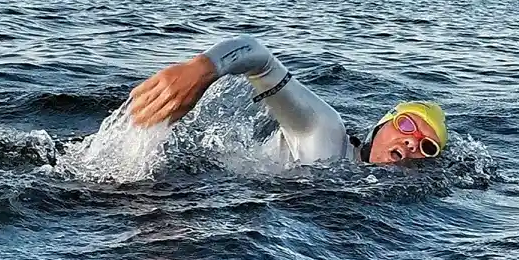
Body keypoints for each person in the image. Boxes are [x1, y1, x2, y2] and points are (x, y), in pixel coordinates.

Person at [128, 34, 447, 165]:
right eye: (407, 125)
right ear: (381, 125)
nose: (410, 144)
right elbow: (259, 56)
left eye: (426, 147)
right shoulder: (326, 132)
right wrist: (202, 69)